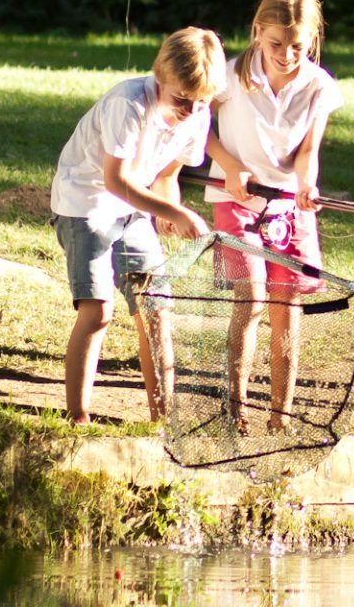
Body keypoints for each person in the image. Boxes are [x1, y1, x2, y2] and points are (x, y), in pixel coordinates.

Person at [52, 27, 225, 425]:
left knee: (156, 308)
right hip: (86, 203)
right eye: (182, 99)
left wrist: (169, 209)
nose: (191, 111)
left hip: (132, 208)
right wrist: (176, 213)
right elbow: (116, 180)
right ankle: (78, 417)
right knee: (98, 311)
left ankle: (161, 421)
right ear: (160, 78)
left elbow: (167, 175)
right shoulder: (128, 104)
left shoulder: (197, 115)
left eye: (201, 102)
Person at [202, 0, 343, 436]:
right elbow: (195, 126)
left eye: (297, 47)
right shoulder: (228, 76)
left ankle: (280, 416)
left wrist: (307, 183)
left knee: (287, 303)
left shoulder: (319, 86)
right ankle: (236, 406)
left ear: (313, 40)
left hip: (289, 205)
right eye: (276, 43)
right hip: (237, 200)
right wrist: (228, 165)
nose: (285, 55)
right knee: (253, 297)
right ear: (258, 31)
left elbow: (308, 150)